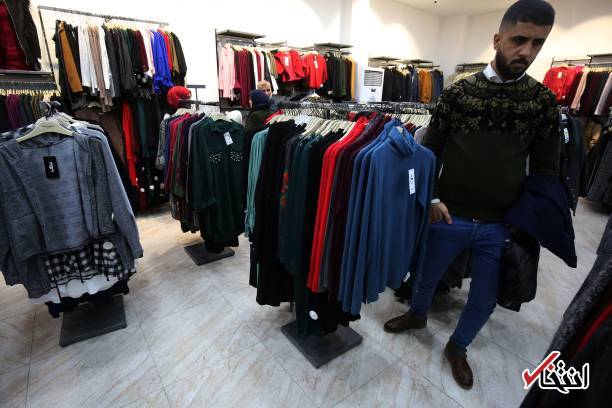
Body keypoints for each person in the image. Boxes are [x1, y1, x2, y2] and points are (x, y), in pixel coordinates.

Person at [383, 0, 559, 390]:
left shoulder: (542, 102)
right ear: (497, 39)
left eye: (537, 43)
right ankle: (417, 315)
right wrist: (432, 199)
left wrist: (523, 221)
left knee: (484, 298)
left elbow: (545, 172)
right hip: (450, 215)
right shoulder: (459, 93)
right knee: (426, 276)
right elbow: (430, 150)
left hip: (500, 225)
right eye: (518, 40)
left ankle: (458, 346)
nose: (526, 51)